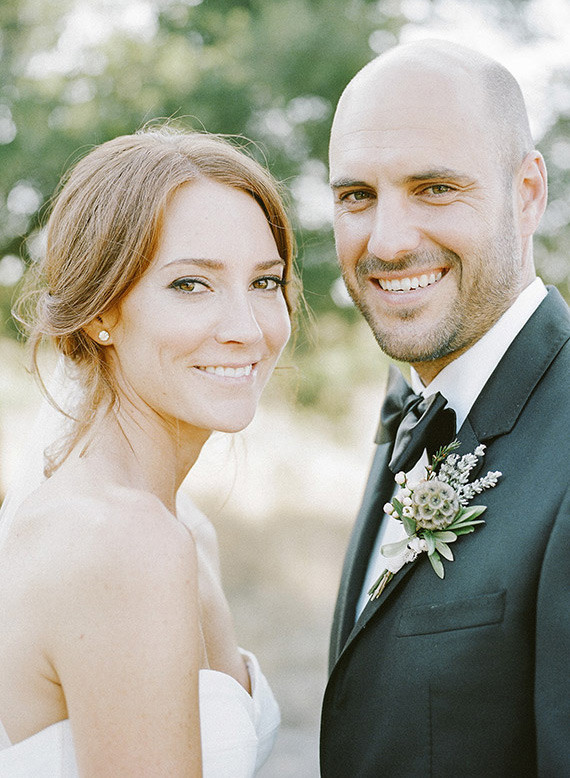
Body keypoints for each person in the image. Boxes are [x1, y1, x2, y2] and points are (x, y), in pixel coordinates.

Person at [0, 125, 299, 776]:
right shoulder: (120, 538)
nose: (247, 329)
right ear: (102, 310)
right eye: (192, 284)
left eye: (266, 283)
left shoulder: (180, 524)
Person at [321, 40, 569, 777]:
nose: (388, 242)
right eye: (356, 196)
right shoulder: (413, 400)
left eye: (434, 188)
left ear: (527, 193)